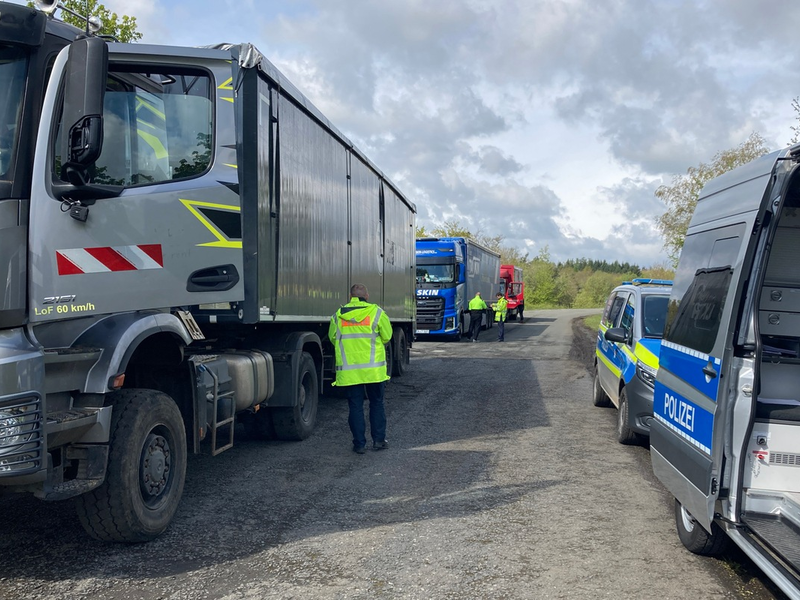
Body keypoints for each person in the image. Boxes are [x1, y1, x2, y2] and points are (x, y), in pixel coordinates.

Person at [329, 283, 393, 454]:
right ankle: (379, 441)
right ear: (367, 296)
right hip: (374, 371)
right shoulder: (377, 313)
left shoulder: (338, 316)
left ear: (350, 297)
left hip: (350, 372)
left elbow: (333, 338)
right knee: (376, 403)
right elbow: (387, 336)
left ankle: (359, 444)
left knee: (355, 406)